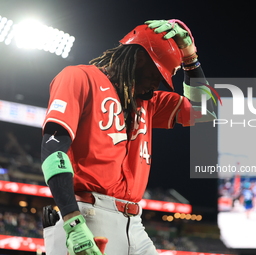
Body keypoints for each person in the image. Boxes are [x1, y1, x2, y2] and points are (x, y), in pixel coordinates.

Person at [40, 19, 216, 255]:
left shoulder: (149, 102)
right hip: (87, 215)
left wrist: (190, 59)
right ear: (139, 58)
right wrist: (72, 221)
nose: (159, 83)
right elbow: (53, 149)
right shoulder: (79, 77)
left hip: (134, 223)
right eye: (158, 73)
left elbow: (207, 112)